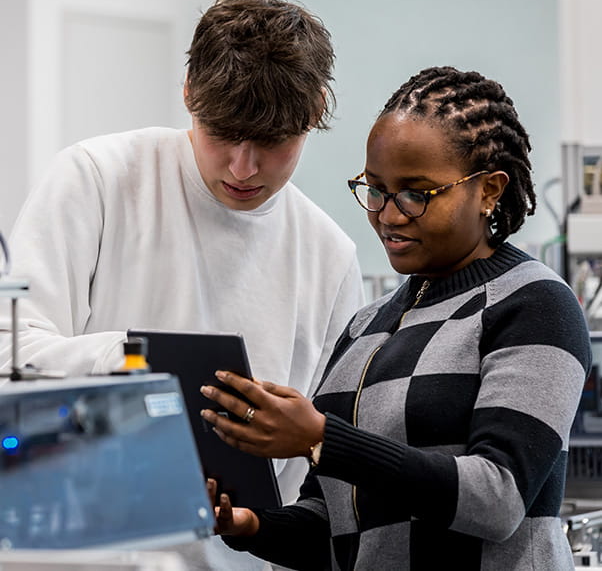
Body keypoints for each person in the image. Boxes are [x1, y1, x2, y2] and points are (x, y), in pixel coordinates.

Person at [0, 0, 364, 571]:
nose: (243, 168)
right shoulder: (96, 179)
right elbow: (10, 350)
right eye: (222, 134)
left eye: (271, 142)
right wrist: (133, 365)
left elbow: (314, 482)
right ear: (189, 92)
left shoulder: (329, 257)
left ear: (316, 111)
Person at [199, 66, 592, 570]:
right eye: (376, 188)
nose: (388, 214)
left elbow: (497, 499)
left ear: (490, 190)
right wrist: (248, 525)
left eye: (416, 193)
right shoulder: (366, 327)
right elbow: (334, 525)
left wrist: (321, 438)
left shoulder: (534, 303)